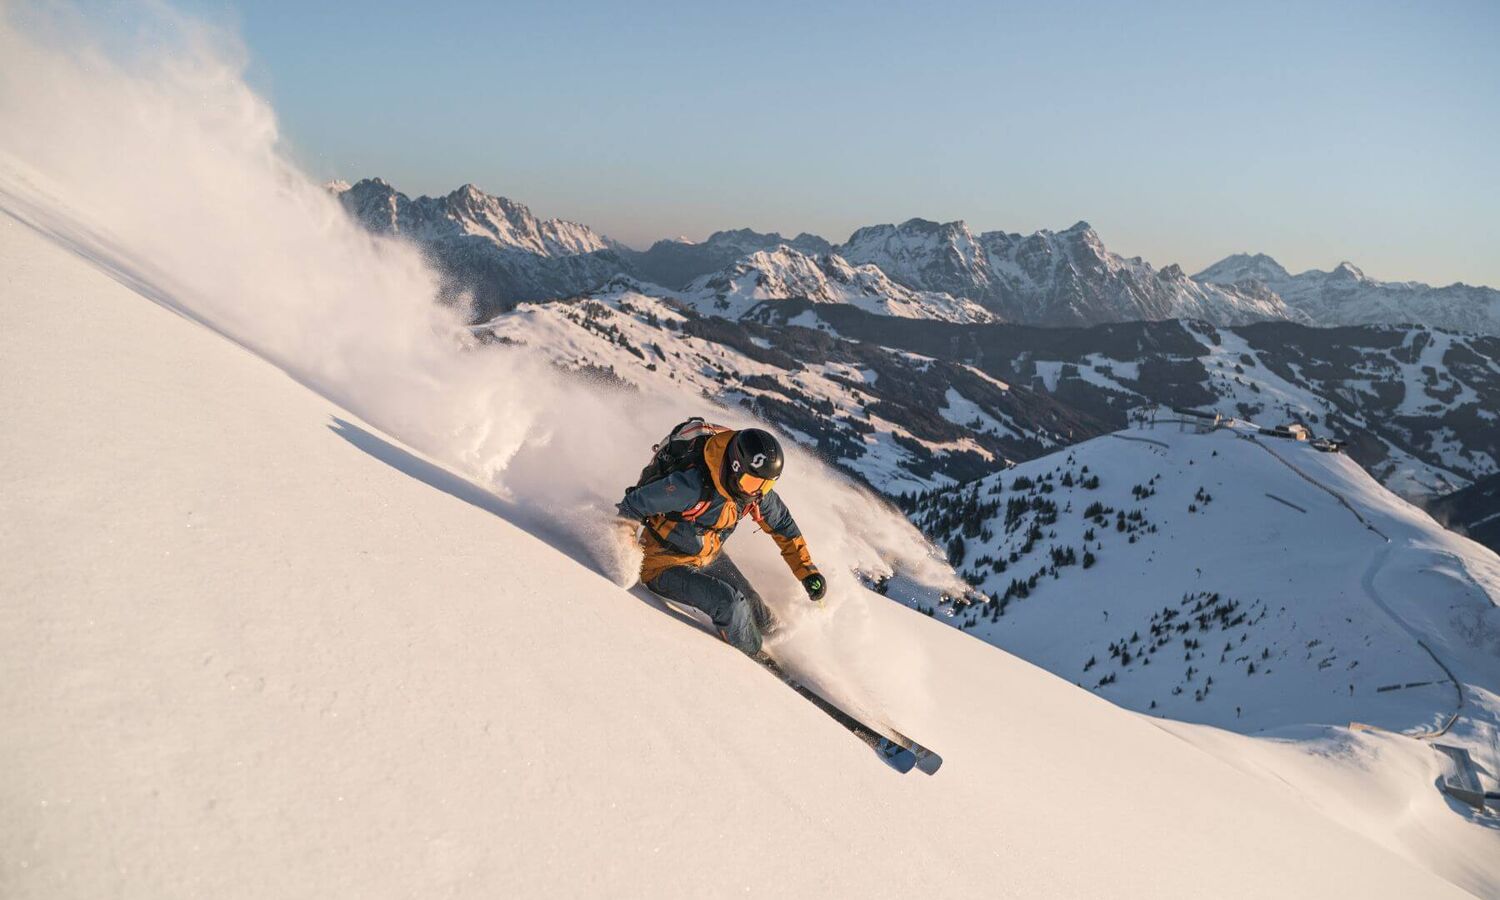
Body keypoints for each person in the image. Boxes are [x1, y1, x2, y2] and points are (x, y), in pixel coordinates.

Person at [617, 426, 824, 656]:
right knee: (730, 604)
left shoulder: (752, 491)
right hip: (662, 563)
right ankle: (756, 657)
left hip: (707, 554)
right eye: (753, 484)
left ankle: (782, 645)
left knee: (753, 603)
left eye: (766, 486)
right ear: (735, 467)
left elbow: (783, 526)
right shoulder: (691, 486)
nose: (758, 493)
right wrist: (626, 552)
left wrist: (807, 571)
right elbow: (633, 504)